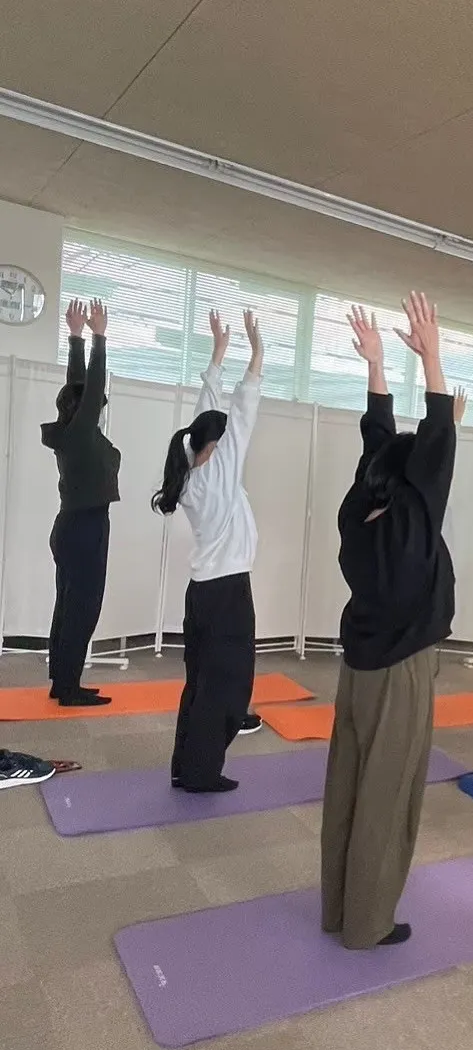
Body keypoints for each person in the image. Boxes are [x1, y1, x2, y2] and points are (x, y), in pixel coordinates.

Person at [320, 294, 457, 951]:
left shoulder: (361, 504)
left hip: (357, 664)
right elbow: (429, 447)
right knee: (387, 794)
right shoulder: (414, 515)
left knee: (348, 780)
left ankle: (336, 907)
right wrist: (429, 360)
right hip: (402, 669)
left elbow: (381, 441)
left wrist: (377, 368)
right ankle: (367, 922)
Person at [151, 310, 264, 793]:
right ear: (218, 447)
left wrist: (218, 354)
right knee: (227, 693)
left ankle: (186, 766)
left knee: (200, 685)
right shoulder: (219, 473)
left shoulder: (194, 474)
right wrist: (257, 355)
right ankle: (200, 772)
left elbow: (210, 416)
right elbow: (240, 415)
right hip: (226, 595)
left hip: (202, 594)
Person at [40, 298, 119, 707]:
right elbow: (88, 392)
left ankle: (62, 680)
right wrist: (98, 338)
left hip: (70, 526)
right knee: (82, 610)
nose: (97, 408)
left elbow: (78, 390)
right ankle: (68, 687)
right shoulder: (81, 433)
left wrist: (74, 337)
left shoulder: (68, 433)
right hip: (86, 528)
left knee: (67, 605)